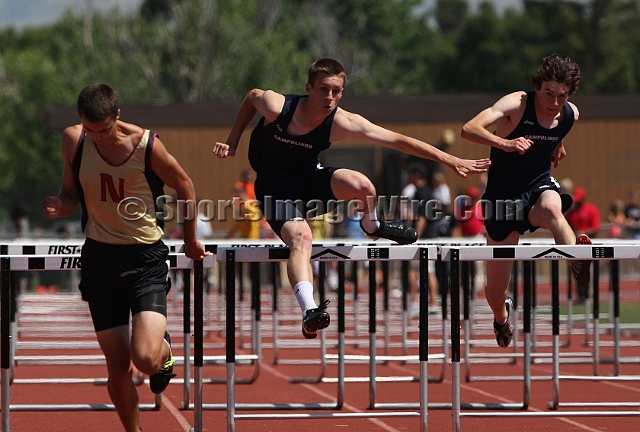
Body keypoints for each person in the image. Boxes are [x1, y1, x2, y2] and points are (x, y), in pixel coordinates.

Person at [213, 58, 490, 339]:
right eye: (323, 89)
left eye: (336, 91)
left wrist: (449, 158)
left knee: (362, 185)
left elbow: (397, 140)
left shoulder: (342, 121)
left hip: (309, 180)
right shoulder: (277, 107)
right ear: (309, 88)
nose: (329, 97)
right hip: (275, 188)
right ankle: (310, 310)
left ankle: (373, 226)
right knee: (301, 238)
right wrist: (232, 141)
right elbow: (250, 97)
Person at [42, 83, 208, 432]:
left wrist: (191, 240)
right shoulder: (74, 140)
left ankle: (163, 352)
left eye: (104, 131)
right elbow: (71, 193)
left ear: (118, 116)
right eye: (90, 130)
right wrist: (61, 205)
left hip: (144, 257)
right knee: (117, 367)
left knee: (144, 359)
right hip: (100, 258)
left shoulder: (146, 145)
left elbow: (186, 186)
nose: (98, 138)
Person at [461, 53, 592, 349]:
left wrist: (558, 145)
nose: (554, 102)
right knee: (495, 293)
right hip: (502, 198)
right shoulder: (517, 104)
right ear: (537, 86)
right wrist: (505, 143)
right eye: (548, 93)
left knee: (551, 208)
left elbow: (558, 128)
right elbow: (469, 129)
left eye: (562, 96)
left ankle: (578, 262)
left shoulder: (570, 114)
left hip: (537, 187)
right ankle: (501, 315)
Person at [226, 169, 261, 239]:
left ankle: (250, 238)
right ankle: (247, 237)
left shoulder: (251, 185)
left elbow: (254, 196)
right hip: (243, 206)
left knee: (248, 223)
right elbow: (235, 195)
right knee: (242, 223)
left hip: (250, 206)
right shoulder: (240, 184)